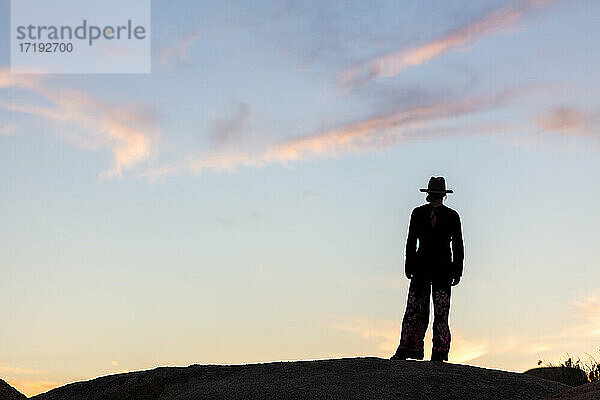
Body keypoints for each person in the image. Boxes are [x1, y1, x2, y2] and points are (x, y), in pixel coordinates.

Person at [391, 176, 464, 362]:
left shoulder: (450, 216)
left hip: (438, 269)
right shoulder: (420, 214)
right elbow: (411, 241)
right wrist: (409, 264)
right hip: (426, 268)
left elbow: (457, 245)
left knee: (433, 311)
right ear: (443, 195)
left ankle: (435, 352)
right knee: (419, 310)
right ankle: (411, 349)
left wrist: (457, 269)